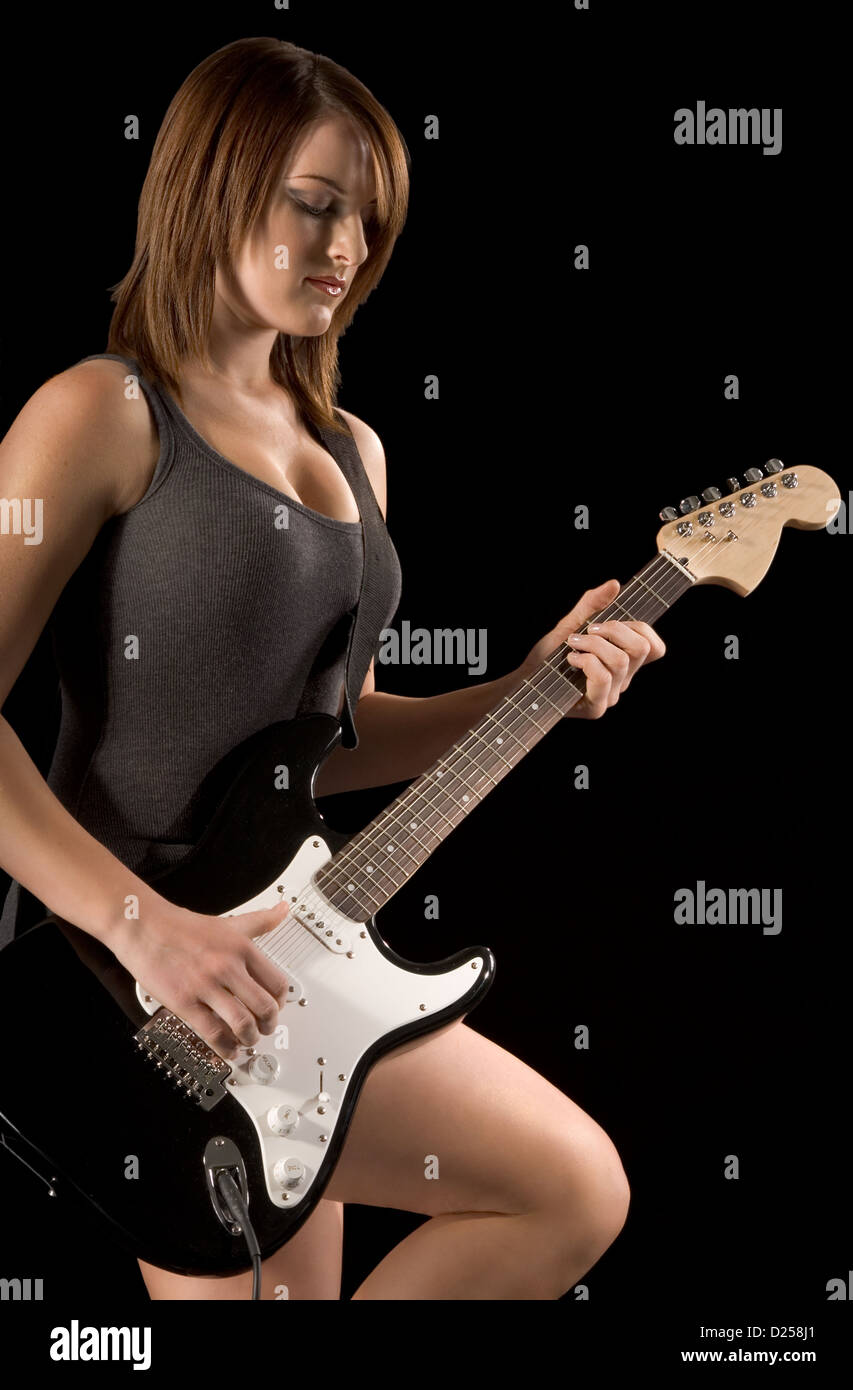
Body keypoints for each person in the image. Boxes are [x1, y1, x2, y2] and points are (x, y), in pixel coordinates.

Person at [0, 37, 665, 1300]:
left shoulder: (353, 445)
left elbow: (331, 735)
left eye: (369, 217)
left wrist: (524, 686)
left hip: (296, 965)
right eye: (314, 204)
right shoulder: (99, 412)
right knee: (571, 1184)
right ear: (213, 181)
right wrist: (153, 938)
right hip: (136, 993)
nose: (347, 245)